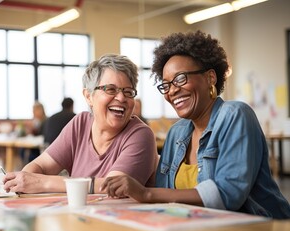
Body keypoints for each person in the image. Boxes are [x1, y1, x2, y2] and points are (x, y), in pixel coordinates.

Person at [100, 31, 290, 219]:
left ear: (210, 78)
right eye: (166, 85)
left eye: (181, 78)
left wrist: (145, 193)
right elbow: (165, 194)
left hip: (262, 230)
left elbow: (228, 194)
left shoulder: (234, 115)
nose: (172, 90)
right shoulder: (177, 133)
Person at [2, 54, 158, 194]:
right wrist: (26, 181)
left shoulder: (141, 134)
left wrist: (43, 182)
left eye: (128, 92)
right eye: (110, 89)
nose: (122, 98)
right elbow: (40, 166)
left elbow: (114, 188)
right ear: (88, 96)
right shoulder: (81, 123)